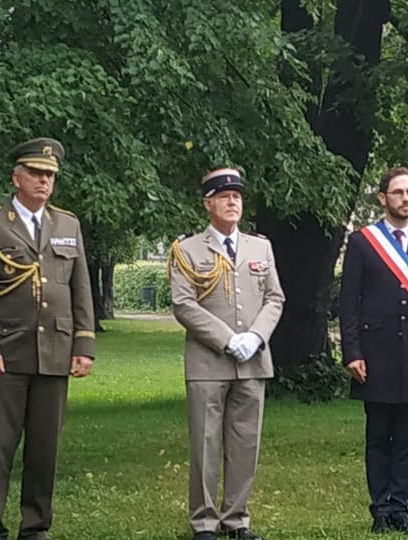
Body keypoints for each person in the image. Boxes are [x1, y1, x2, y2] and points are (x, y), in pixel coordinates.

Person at [0, 137, 96, 540]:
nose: (44, 181)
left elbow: (79, 289)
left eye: (50, 175)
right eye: (36, 173)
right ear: (16, 177)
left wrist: (83, 345)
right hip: (7, 350)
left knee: (44, 447)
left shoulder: (67, 225)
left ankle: (36, 526)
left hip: (55, 349)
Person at [168, 168, 285, 540]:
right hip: (208, 363)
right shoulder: (187, 250)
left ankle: (237, 519)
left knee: (245, 443)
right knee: (205, 443)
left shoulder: (259, 246)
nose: (233, 201)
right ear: (208, 204)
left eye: (237, 195)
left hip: (252, 360)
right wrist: (226, 338)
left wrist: (256, 336)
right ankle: (204, 521)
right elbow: (183, 304)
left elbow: (274, 297)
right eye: (224, 196)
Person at [339, 167, 408, 535]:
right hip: (375, 354)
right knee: (378, 437)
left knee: (406, 439)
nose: (406, 198)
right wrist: (352, 352)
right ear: (383, 197)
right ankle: (379, 510)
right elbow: (349, 303)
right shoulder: (363, 242)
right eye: (399, 192)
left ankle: (401, 508)